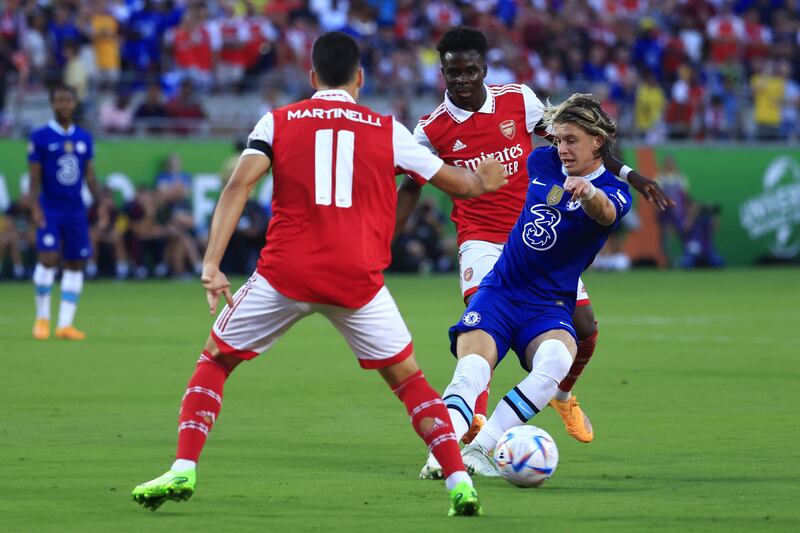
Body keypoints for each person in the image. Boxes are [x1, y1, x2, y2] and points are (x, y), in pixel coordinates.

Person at [131, 31, 510, 517]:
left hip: (285, 273)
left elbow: (238, 185)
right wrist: (484, 181)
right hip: (357, 280)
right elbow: (457, 184)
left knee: (215, 361)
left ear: (311, 77)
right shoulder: (386, 129)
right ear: (360, 78)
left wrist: (211, 263)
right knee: (410, 382)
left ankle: (183, 466)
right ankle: (459, 483)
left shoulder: (278, 120)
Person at [396, 27, 672, 452]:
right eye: (454, 72)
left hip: (537, 235)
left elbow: (577, 140)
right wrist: (388, 238)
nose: (462, 79)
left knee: (585, 329)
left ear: (483, 69)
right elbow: (412, 184)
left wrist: (630, 176)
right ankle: (474, 424)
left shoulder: (518, 100)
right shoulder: (431, 130)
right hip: (481, 240)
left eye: (470, 71)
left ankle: (561, 395)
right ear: (443, 73)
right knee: (484, 323)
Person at [427, 93, 632, 478]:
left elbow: (604, 212)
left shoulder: (616, 193)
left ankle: (482, 449)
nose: (561, 148)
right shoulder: (541, 160)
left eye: (571, 140)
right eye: (558, 139)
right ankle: (442, 454)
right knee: (471, 368)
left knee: (560, 357)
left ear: (597, 141)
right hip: (502, 289)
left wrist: (588, 192)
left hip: (550, 303)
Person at [29, 84, 99, 340]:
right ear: (52, 104)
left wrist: (101, 202)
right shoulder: (40, 136)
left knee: (75, 262)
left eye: (68, 100)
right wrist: (35, 206)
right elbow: (34, 178)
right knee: (47, 257)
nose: (64, 105)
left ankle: (65, 325)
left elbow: (90, 176)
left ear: (74, 103)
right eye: (59, 100)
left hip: (75, 209)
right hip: (51, 207)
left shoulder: (84, 138)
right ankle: (42, 319)